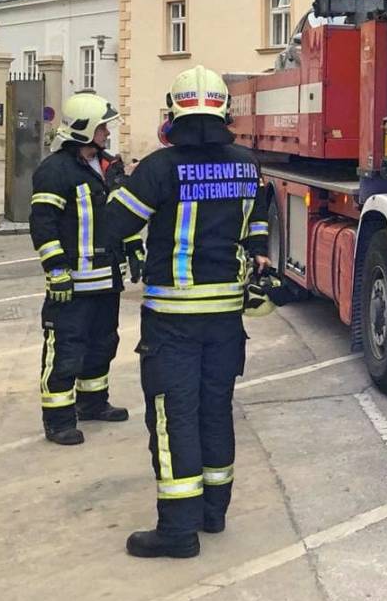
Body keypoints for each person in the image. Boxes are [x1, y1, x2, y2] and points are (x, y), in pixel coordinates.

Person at [104, 65, 273, 559]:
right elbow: (258, 218)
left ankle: (178, 531)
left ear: (174, 113)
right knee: (215, 410)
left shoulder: (159, 168)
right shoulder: (247, 163)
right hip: (226, 319)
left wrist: (118, 188)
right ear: (224, 110)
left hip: (172, 320)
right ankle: (213, 512)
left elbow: (116, 225)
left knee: (173, 416)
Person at [30, 91, 132, 445]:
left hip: (106, 279)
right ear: (85, 129)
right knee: (66, 349)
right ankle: (58, 420)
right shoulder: (55, 171)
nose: (107, 133)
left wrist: (133, 250)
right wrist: (56, 269)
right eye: (102, 127)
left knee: (103, 343)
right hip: (71, 283)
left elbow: (121, 215)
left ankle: (93, 403)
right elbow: (43, 224)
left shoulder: (107, 166)